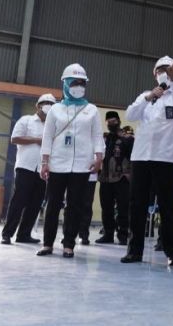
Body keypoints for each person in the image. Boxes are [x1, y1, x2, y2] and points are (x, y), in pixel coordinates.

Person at [122, 56, 173, 264]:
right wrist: (149, 96)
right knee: (137, 205)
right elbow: (130, 115)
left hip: (166, 158)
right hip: (141, 157)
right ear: (154, 73)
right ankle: (135, 250)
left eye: (168, 69)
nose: (164, 72)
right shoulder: (145, 96)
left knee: (168, 206)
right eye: (160, 69)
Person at [37, 63, 104, 258]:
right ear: (65, 84)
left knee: (75, 206)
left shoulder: (91, 109)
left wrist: (98, 157)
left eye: (82, 83)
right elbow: (47, 137)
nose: (79, 86)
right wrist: (44, 162)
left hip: (82, 165)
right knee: (53, 205)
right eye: (75, 82)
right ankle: (47, 243)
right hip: (57, 164)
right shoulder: (55, 110)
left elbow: (97, 135)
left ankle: (69, 245)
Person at [1, 93, 56, 244]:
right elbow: (15, 138)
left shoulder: (54, 126)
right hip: (25, 166)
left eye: (51, 104)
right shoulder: (26, 120)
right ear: (38, 105)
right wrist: (37, 140)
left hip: (44, 170)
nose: (48, 106)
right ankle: (7, 234)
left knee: (35, 204)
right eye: (45, 103)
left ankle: (24, 234)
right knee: (19, 201)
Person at [95, 111, 133, 245]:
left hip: (121, 178)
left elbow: (133, 157)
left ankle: (123, 235)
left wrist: (130, 173)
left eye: (114, 121)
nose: (112, 124)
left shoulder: (127, 138)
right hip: (105, 178)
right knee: (106, 208)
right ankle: (108, 234)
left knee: (123, 208)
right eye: (109, 122)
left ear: (119, 121)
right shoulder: (104, 138)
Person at [78, 171, 98, 245]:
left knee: (87, 205)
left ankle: (84, 235)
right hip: (72, 173)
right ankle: (67, 235)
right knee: (71, 204)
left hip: (90, 175)